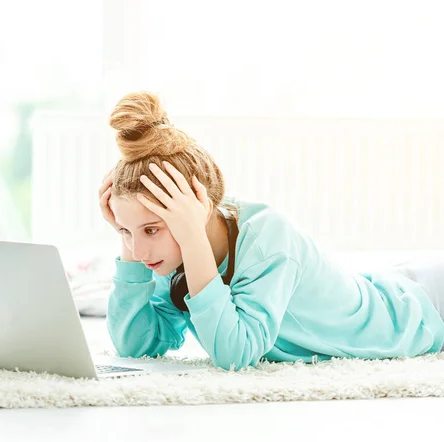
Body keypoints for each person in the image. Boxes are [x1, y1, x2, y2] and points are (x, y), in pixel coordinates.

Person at [98, 90, 444, 371]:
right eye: (126, 232)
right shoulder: (169, 254)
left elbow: (235, 353)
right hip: (386, 284)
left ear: (195, 213)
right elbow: (136, 346)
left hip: (423, 306)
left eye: (151, 230)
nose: (140, 252)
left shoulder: (268, 239)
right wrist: (130, 242)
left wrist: (191, 241)